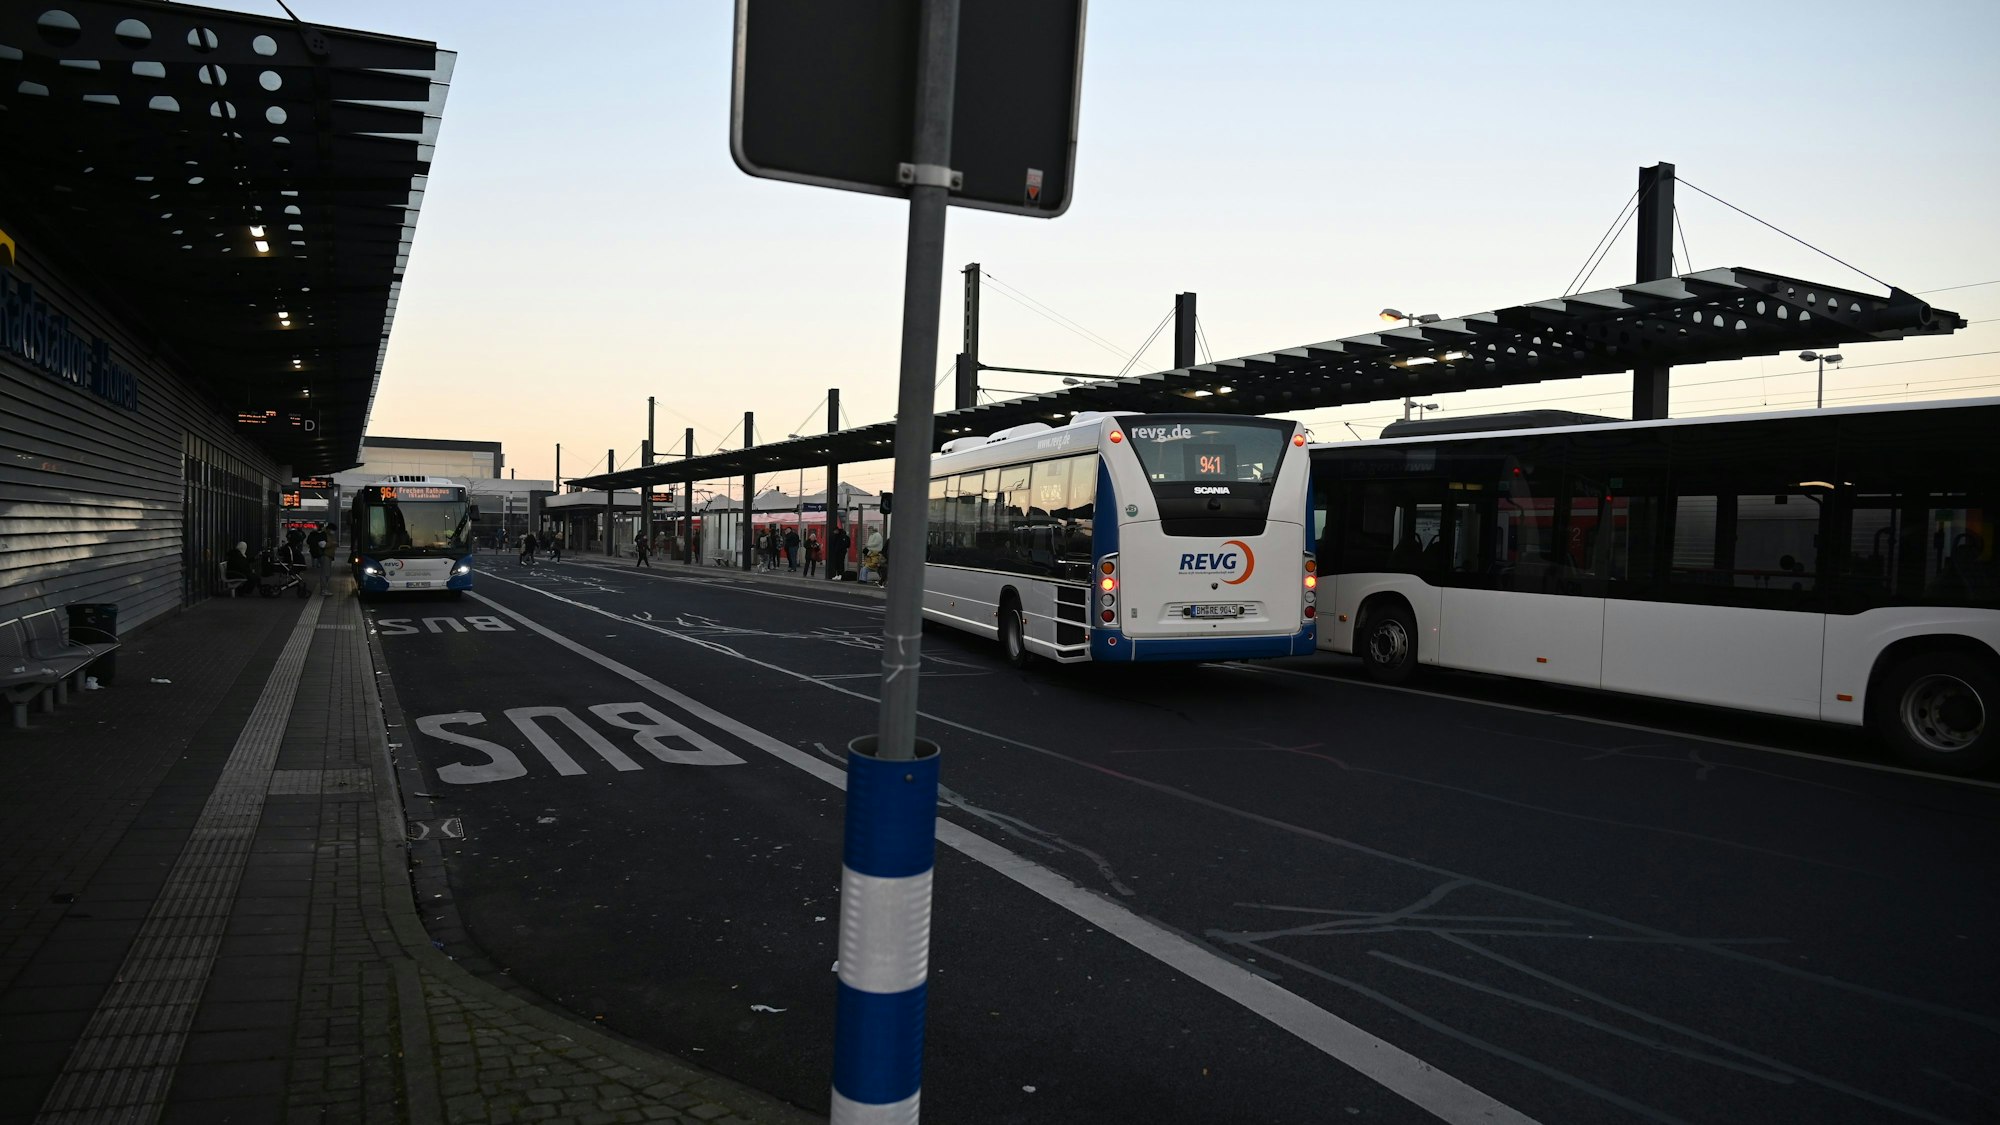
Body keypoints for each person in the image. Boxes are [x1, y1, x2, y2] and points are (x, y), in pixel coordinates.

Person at [309, 523, 332, 595]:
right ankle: (324, 590)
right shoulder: (322, 535)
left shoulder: (313, 534)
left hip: (318, 554)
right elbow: (323, 545)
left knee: (324, 572)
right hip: (324, 555)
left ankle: (324, 589)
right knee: (325, 573)